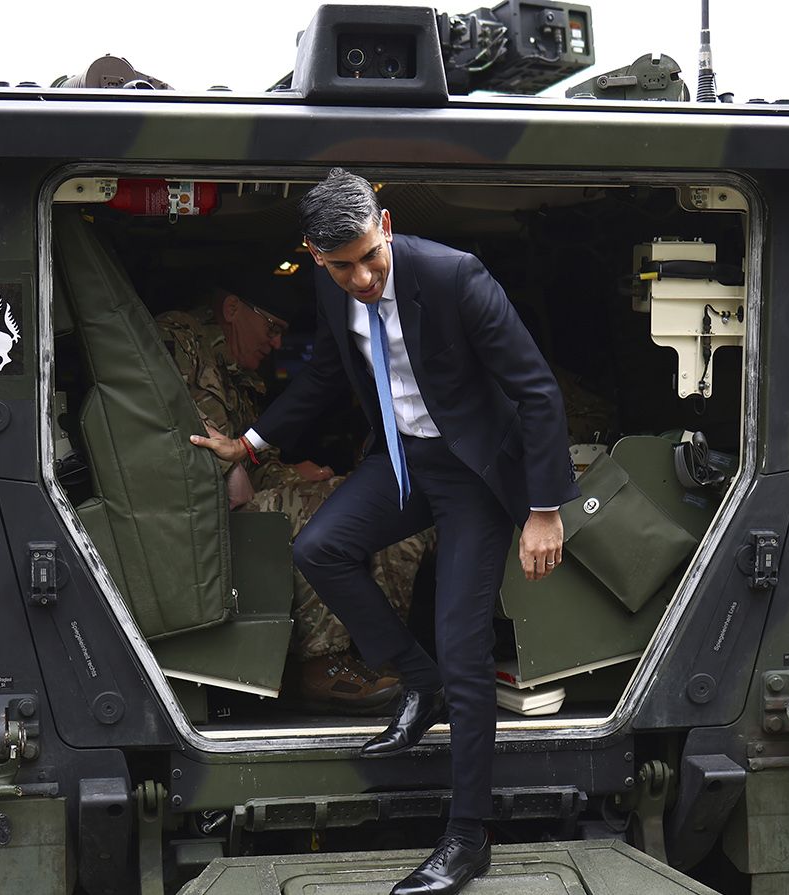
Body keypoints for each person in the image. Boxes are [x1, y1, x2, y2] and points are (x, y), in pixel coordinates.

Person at [191, 168, 575, 895]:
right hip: (404, 461)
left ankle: (468, 836)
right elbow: (324, 379)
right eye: (342, 266)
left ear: (387, 225)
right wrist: (248, 444)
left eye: (371, 256)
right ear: (314, 255)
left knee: (464, 648)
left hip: (473, 474)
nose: (362, 277)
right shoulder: (330, 287)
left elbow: (536, 389)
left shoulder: (457, 277)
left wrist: (544, 508)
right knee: (319, 546)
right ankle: (416, 679)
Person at [155, 284, 434, 713]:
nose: (277, 342)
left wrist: (291, 473)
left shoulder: (238, 378)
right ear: (232, 308)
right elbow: (167, 419)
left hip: (224, 505)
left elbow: (250, 459)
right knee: (320, 511)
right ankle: (324, 665)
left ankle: (380, 652)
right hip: (188, 514)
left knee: (363, 503)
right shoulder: (179, 337)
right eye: (271, 327)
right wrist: (231, 466)